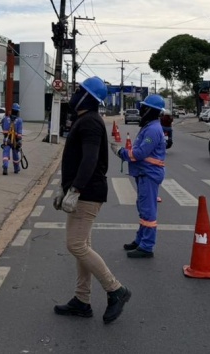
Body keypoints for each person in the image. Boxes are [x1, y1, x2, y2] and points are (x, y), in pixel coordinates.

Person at [53, 77, 132, 324]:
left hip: (86, 194)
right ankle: (82, 300)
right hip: (83, 192)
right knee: (82, 246)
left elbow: (89, 160)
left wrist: (75, 189)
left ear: (88, 97)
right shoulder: (86, 120)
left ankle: (115, 289)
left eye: (79, 91)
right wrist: (62, 187)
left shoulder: (89, 122)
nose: (75, 94)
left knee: (76, 245)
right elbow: (77, 159)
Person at [112, 93, 167, 258]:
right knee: (143, 209)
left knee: (148, 211)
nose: (140, 110)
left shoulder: (153, 130)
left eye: (143, 108)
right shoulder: (150, 126)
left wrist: (122, 152)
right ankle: (140, 240)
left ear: (150, 110)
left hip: (148, 174)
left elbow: (141, 152)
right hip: (144, 173)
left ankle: (146, 246)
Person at [1, 103, 23, 175]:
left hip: (7, 139)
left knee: (5, 154)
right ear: (17, 111)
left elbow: (3, 128)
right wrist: (19, 141)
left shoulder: (6, 119)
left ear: (12, 110)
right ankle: (16, 169)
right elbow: (19, 133)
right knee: (15, 155)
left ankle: (5, 166)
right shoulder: (19, 120)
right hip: (15, 141)